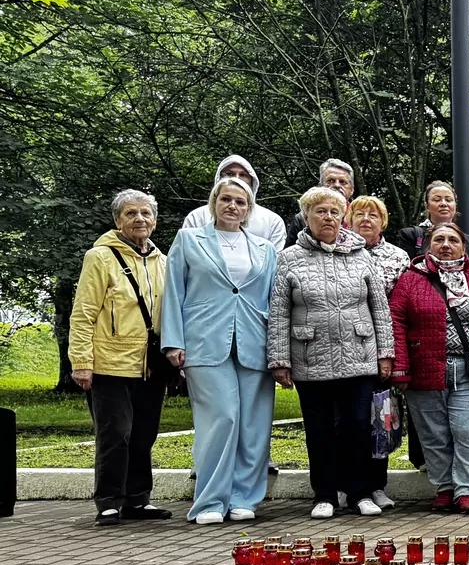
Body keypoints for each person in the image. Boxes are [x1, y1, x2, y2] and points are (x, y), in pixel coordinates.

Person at [269, 187, 395, 519]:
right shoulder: (289, 258)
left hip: (359, 355)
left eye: (334, 212)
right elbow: (279, 311)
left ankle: (360, 493)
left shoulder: (362, 255)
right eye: (320, 211)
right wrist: (279, 359)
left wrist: (386, 353)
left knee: (357, 427)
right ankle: (324, 494)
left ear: (343, 217)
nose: (328, 217)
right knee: (320, 430)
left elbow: (379, 309)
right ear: (307, 217)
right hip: (311, 359)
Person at [161, 177, 278, 524]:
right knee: (221, 419)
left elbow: (272, 299)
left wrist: (278, 349)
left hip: (254, 342)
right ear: (214, 202)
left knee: (254, 426)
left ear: (249, 208)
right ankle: (210, 500)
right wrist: (173, 341)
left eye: (240, 202)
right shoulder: (188, 240)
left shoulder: (264, 249)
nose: (233, 206)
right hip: (204, 341)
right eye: (226, 199)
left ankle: (245, 497)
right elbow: (173, 292)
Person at [70, 189, 172, 526]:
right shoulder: (99, 258)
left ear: (155, 221)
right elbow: (83, 313)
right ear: (117, 220)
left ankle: (138, 499)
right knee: (116, 434)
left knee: (144, 434)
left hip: (150, 364)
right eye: (131, 214)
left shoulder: (162, 260)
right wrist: (81, 361)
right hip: (109, 362)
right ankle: (109, 500)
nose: (139, 219)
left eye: (145, 214)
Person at [387, 224, 469, 514]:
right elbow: (396, 321)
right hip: (425, 366)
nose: (446, 245)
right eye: (439, 239)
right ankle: (445, 487)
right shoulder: (411, 279)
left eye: (453, 240)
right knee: (433, 432)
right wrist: (400, 367)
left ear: (464, 247)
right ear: (428, 246)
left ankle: (467, 490)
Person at [347, 195, 410, 509]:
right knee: (347, 420)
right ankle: (348, 485)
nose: (366, 219)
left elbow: (400, 307)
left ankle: (377, 485)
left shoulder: (398, 257)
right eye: (359, 214)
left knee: (381, 418)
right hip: (345, 350)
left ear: (383, 222)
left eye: (373, 214)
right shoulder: (341, 251)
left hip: (383, 349)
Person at [180, 155, 287, 247]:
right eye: (229, 174)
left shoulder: (272, 221)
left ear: (252, 181)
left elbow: (275, 262)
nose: (237, 178)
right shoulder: (197, 217)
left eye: (243, 175)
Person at [394, 181, 469, 262]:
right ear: (427, 205)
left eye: (448, 200)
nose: (443, 204)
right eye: (437, 200)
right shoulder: (411, 235)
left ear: (455, 205)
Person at [284, 158, 356, 247]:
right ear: (320, 186)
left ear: (352, 189)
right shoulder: (303, 217)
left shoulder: (362, 216)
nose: (337, 185)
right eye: (330, 181)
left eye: (343, 182)